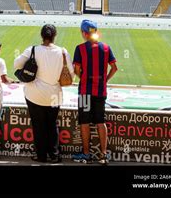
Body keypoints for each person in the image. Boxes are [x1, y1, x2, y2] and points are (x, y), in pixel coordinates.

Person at [14, 24, 74, 163]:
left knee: (38, 126)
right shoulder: (63, 52)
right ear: (55, 36)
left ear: (42, 36)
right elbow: (71, 74)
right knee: (52, 125)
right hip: (54, 94)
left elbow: (16, 64)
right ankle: (54, 155)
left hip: (34, 94)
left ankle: (41, 155)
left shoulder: (33, 50)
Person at [72, 19, 118, 165]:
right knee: (100, 121)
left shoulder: (80, 48)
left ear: (84, 33)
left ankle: (86, 154)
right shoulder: (106, 47)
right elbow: (114, 68)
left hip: (85, 91)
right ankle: (103, 155)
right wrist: (105, 80)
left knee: (84, 122)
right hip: (100, 91)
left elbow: (77, 70)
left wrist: (83, 77)